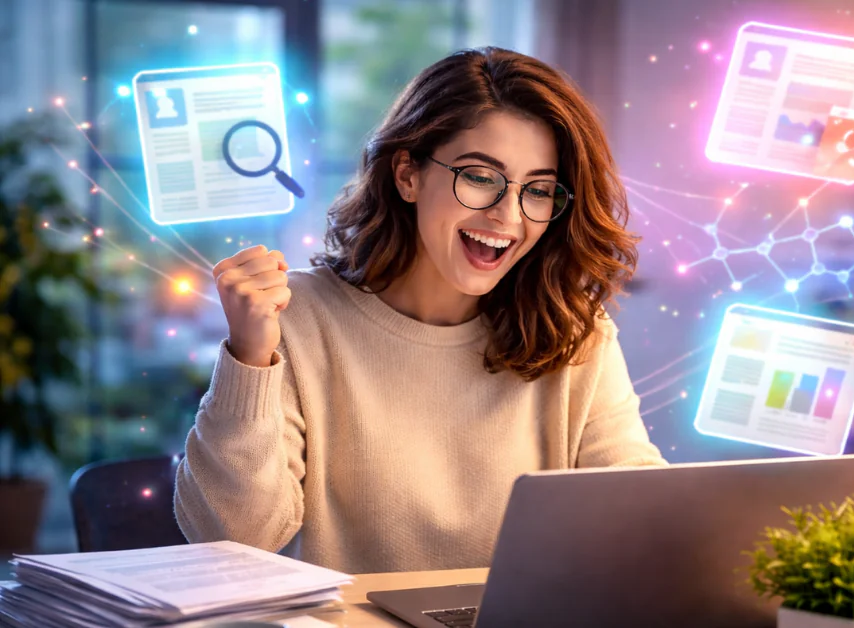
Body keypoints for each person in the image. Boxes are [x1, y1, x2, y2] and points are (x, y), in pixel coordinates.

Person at [174, 47, 668, 574]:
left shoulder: (575, 333)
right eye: (480, 177)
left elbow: (639, 516)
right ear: (407, 174)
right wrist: (249, 357)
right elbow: (232, 536)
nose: (507, 215)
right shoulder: (296, 321)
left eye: (539, 190)